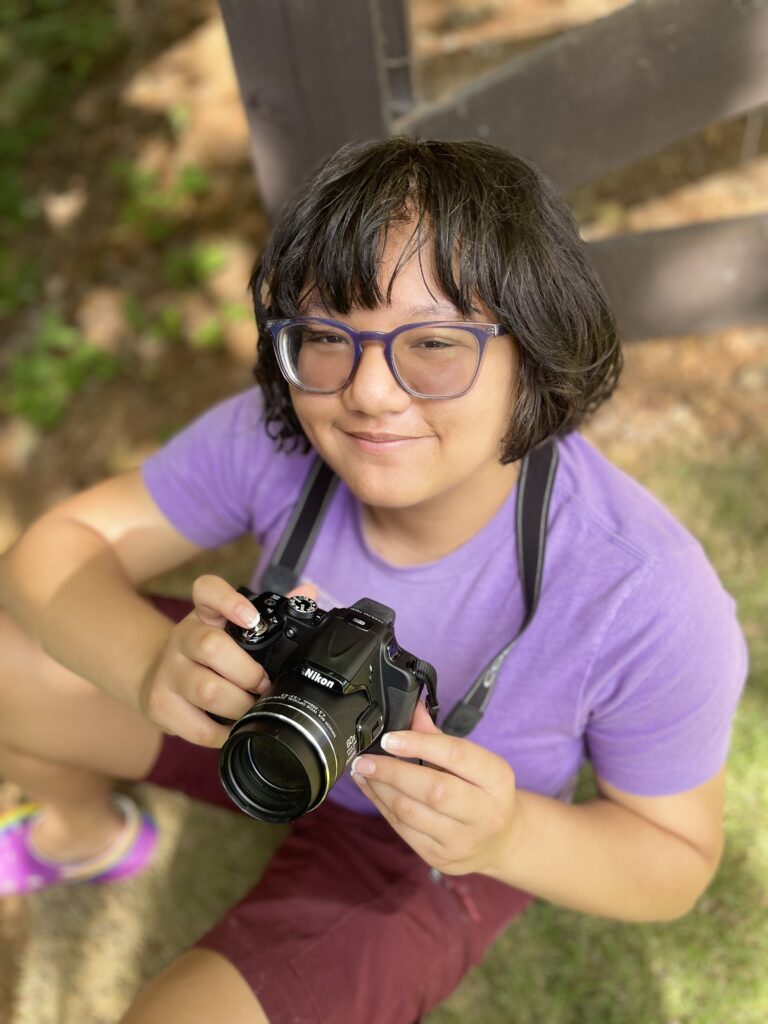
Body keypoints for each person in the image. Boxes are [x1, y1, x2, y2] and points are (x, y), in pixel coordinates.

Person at [0, 137, 748, 1024]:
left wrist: (507, 834)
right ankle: (88, 835)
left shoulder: (644, 592)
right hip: (258, 722)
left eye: (434, 342)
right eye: (326, 337)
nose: (370, 392)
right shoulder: (273, 435)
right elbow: (54, 549)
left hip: (431, 848)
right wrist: (149, 665)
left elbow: (672, 863)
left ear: (538, 356)